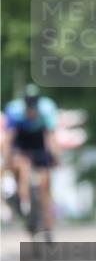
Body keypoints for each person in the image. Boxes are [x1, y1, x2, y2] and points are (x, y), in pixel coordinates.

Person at [1, 84, 59, 240]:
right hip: (21, 143)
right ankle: (20, 199)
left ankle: (47, 225)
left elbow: (51, 137)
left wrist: (55, 156)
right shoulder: (14, 111)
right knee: (21, 167)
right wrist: (7, 162)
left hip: (38, 143)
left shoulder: (47, 110)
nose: (31, 111)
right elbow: (8, 140)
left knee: (44, 185)